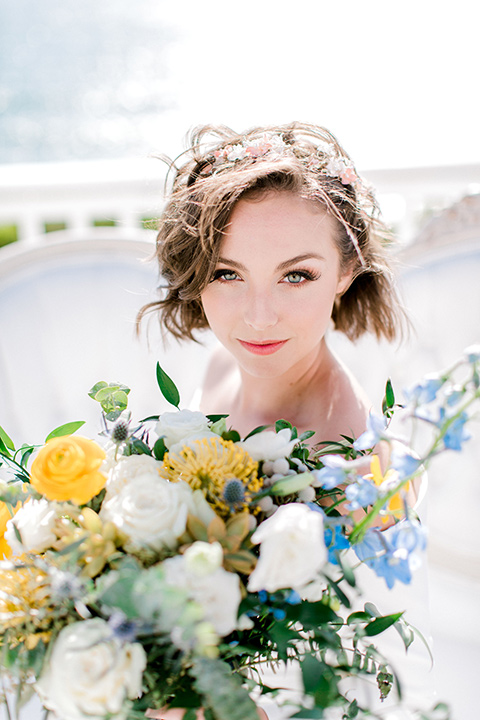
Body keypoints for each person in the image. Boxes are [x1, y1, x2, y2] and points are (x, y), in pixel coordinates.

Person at [138, 123, 420, 720]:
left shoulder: (359, 463)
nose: (258, 316)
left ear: (346, 273)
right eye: (226, 273)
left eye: (297, 275)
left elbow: (348, 664)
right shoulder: (219, 367)